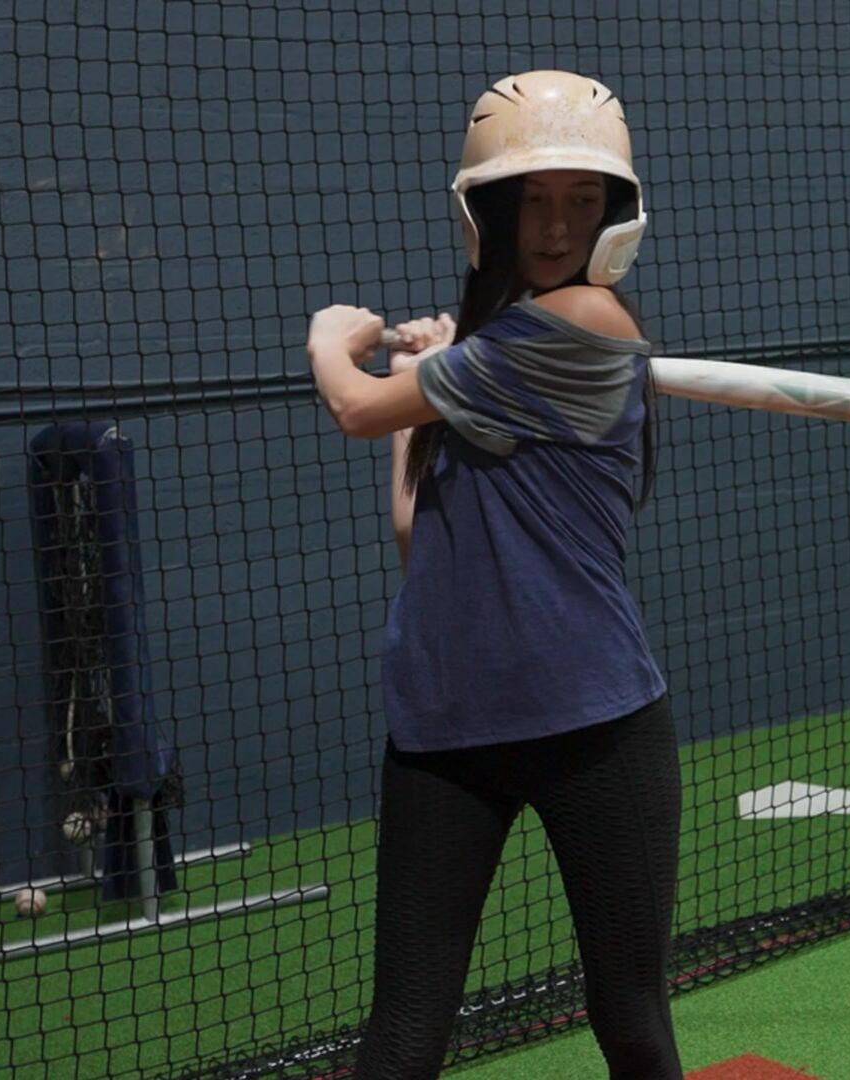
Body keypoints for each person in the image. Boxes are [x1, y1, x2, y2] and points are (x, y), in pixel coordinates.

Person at [304, 70, 683, 1079]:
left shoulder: (588, 325)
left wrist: (335, 340)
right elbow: (416, 538)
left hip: (594, 725)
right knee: (404, 1033)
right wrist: (418, 399)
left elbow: (347, 405)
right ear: (491, 208)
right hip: (448, 730)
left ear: (614, 215)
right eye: (534, 199)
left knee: (632, 1020)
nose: (556, 226)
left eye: (581, 201)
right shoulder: (493, 358)